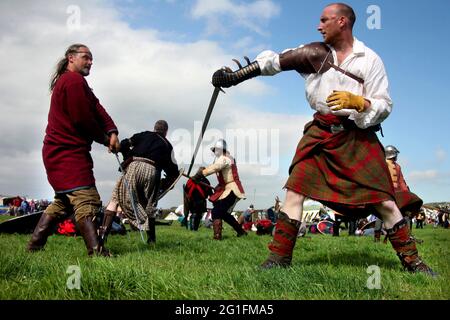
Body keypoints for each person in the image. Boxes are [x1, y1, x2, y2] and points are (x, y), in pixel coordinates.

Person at [211, 3, 435, 275]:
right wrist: (234, 77)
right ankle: (279, 259)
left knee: (385, 201)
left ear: (342, 22)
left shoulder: (370, 59)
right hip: (319, 133)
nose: (318, 26)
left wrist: (360, 102)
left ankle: (413, 262)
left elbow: (385, 104)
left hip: (356, 136)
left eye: (324, 20)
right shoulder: (315, 53)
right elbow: (273, 62)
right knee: (295, 191)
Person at [27, 44, 120, 256]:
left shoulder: (79, 83)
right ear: (71, 58)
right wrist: (106, 139)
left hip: (60, 152)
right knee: (87, 198)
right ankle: (96, 251)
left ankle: (34, 247)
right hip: (66, 152)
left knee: (63, 202)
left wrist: (112, 130)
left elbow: (96, 108)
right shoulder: (72, 80)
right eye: (85, 58)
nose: (90, 62)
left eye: (91, 59)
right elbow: (83, 119)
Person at [102, 120, 179, 250]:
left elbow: (126, 143)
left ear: (154, 128)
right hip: (152, 172)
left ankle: (102, 236)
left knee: (115, 199)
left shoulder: (144, 134)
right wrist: (169, 180)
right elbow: (172, 169)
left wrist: (119, 149)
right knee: (150, 206)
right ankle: (151, 240)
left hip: (134, 166)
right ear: (166, 131)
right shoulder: (167, 145)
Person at [192, 139, 247, 239]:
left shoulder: (225, 158)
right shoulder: (227, 158)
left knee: (216, 211)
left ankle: (217, 236)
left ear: (221, 149)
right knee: (224, 213)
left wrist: (201, 173)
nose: (214, 152)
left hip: (232, 188)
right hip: (228, 188)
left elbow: (216, 167)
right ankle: (241, 232)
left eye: (216, 150)